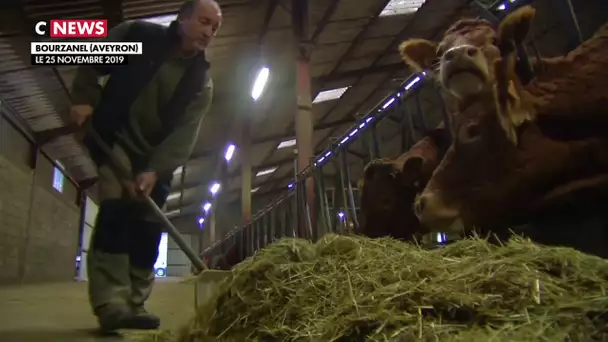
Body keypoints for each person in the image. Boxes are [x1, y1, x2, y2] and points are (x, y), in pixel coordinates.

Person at [69, 0, 221, 333]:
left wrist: (156, 170)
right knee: (115, 212)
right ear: (182, 18)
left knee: (149, 226)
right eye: (204, 21)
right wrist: (83, 96)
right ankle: (111, 303)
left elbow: (184, 135)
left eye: (215, 27)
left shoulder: (202, 82)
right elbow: (92, 59)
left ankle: (135, 302)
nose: (209, 32)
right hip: (116, 141)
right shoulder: (138, 36)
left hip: (156, 158)